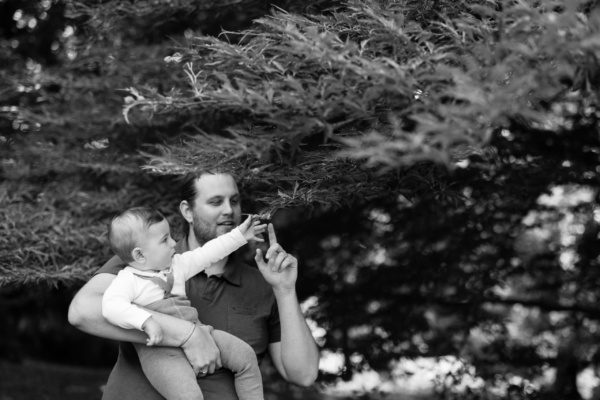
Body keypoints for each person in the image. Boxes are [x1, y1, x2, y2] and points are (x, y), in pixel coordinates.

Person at [68, 172, 320, 400]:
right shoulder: (142, 260)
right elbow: (83, 312)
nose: (228, 210)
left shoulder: (263, 283)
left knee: (243, 357)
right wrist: (186, 335)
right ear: (187, 211)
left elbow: (303, 375)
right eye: (215, 201)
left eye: (234, 201)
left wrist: (285, 291)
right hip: (159, 366)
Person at [103, 207, 266, 400]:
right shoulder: (128, 279)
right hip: (160, 352)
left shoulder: (177, 265)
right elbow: (110, 306)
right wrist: (145, 321)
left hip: (199, 332)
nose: (173, 243)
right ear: (139, 255)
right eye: (165, 240)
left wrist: (239, 236)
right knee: (188, 395)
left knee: (245, 356)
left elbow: (208, 253)